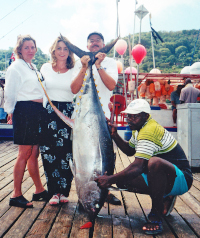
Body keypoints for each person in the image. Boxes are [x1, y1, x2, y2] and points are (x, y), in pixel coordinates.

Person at [95, 99, 193, 235]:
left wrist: (110, 179)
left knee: (154, 163)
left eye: (135, 116)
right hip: (167, 177)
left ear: (146, 116)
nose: (130, 119)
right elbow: (130, 150)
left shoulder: (149, 130)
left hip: (182, 178)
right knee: (123, 181)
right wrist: (114, 135)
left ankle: (156, 216)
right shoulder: (139, 127)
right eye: (128, 115)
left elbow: (138, 167)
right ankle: (166, 196)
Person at [70, 32, 121, 205]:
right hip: (83, 118)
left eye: (98, 41)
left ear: (103, 44)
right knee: (85, 154)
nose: (94, 43)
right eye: (91, 41)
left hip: (103, 118)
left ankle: (104, 191)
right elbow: (74, 89)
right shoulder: (79, 63)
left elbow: (112, 85)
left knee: (106, 157)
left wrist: (98, 65)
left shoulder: (111, 62)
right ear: (87, 45)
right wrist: (85, 67)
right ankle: (95, 189)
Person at [4, 35, 48, 208]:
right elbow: (10, 92)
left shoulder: (32, 67)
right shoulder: (16, 67)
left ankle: (38, 190)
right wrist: (10, 112)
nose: (30, 50)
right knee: (25, 152)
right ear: (19, 50)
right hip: (25, 111)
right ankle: (16, 194)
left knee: (34, 152)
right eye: (26, 47)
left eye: (32, 47)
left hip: (37, 112)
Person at [40, 36, 75, 206]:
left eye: (65, 49)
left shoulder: (75, 69)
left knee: (67, 153)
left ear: (69, 52)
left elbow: (77, 93)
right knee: (49, 153)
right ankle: (54, 192)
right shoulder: (45, 68)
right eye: (59, 48)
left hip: (68, 113)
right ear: (53, 50)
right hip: (49, 113)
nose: (62, 52)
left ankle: (64, 191)